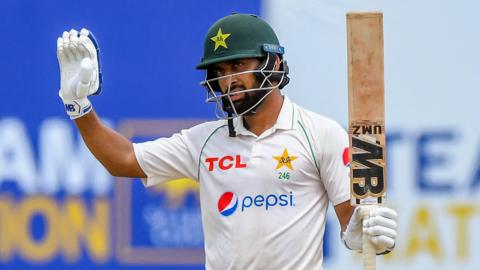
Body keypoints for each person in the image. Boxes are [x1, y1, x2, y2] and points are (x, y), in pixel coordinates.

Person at [56, 13, 397, 270]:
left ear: (273, 64)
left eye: (238, 65)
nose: (228, 80)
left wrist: (366, 234)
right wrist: (79, 106)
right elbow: (123, 160)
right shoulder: (206, 141)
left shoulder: (319, 133)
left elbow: (352, 227)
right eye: (219, 72)